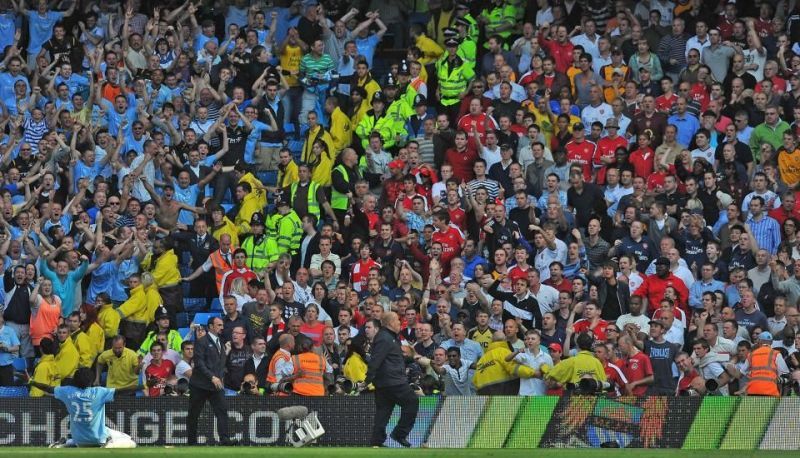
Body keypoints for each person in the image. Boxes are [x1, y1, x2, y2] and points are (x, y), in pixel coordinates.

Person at [29, 368, 137, 448]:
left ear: (75, 380)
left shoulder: (67, 391)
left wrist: (31, 382)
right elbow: (123, 390)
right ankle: (108, 444)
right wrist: (145, 386)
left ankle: (65, 443)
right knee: (132, 442)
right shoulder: (99, 392)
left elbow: (47, 388)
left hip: (78, 440)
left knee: (107, 430)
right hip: (98, 439)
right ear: (91, 380)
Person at [365, 312, 418, 448]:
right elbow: (376, 359)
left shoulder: (389, 337)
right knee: (412, 401)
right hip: (393, 381)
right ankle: (399, 433)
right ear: (390, 323)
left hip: (385, 382)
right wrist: (367, 379)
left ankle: (376, 442)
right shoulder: (385, 338)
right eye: (398, 321)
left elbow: (392, 358)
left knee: (383, 411)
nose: (400, 323)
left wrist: (411, 358)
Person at [186, 317, 237, 446]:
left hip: (216, 385)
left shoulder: (220, 341)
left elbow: (219, 364)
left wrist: (219, 377)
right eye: (219, 325)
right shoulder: (201, 341)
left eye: (222, 325)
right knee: (194, 413)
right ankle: (192, 442)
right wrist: (212, 377)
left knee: (222, 411)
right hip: (200, 385)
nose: (222, 327)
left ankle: (224, 440)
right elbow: (199, 363)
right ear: (210, 327)